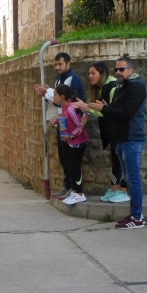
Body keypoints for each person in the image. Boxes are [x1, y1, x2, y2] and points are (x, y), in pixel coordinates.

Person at [87, 57, 147, 229]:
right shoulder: (122, 87)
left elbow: (127, 112)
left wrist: (105, 109)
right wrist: (107, 108)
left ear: (131, 70)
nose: (118, 72)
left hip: (132, 139)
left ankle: (137, 217)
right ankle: (134, 215)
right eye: (116, 70)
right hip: (121, 140)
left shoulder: (136, 87)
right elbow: (115, 110)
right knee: (128, 178)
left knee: (133, 179)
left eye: (122, 69)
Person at [33, 52, 85, 198]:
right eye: (55, 64)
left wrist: (48, 92)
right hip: (62, 124)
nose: (57, 67)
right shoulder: (59, 80)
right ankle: (68, 186)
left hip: (72, 127)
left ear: (68, 64)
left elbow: (66, 101)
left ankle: (75, 190)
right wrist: (46, 94)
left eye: (60, 64)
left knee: (71, 160)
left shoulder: (72, 79)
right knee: (64, 158)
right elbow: (57, 101)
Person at [74, 61, 126, 202]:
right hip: (112, 129)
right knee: (116, 158)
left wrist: (86, 107)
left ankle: (123, 191)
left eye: (93, 73)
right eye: (89, 73)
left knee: (121, 160)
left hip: (120, 129)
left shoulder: (112, 86)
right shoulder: (104, 87)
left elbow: (108, 111)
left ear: (102, 73)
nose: (90, 76)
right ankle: (114, 189)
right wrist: (88, 108)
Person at [51, 84, 88, 205]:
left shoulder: (71, 109)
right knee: (71, 166)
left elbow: (81, 125)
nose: (53, 97)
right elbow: (65, 119)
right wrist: (57, 120)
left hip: (78, 142)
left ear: (62, 96)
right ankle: (74, 191)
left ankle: (79, 193)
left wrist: (71, 136)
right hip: (71, 142)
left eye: (55, 95)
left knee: (75, 167)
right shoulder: (65, 108)